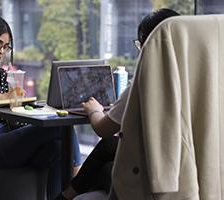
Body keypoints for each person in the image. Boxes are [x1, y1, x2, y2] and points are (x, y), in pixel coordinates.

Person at [0, 15, 82, 199]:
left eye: (5, 46)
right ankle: (80, 179)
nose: (2, 51)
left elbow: (9, 118)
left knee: (58, 147)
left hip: (6, 139)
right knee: (60, 128)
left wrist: (25, 108)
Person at [55, 8, 180, 200]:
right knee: (108, 151)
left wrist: (94, 110)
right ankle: (67, 195)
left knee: (105, 156)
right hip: (179, 170)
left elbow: (103, 128)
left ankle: (65, 196)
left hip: (150, 175)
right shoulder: (202, 79)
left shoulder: (146, 82)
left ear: (151, 44)